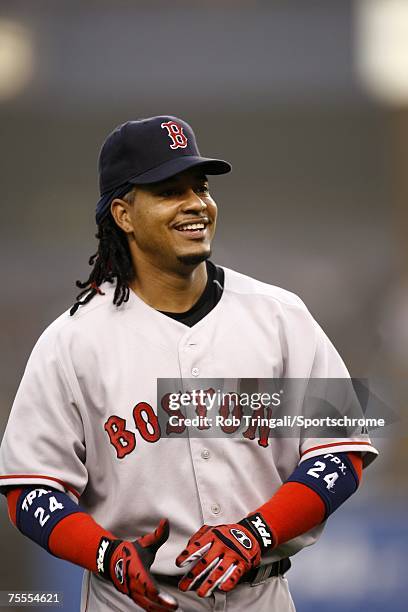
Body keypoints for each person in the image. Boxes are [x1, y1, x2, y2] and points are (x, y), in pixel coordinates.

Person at [0, 116, 378, 611]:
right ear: (123, 214)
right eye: (168, 190)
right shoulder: (72, 342)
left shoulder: (280, 315)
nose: (196, 203)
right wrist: (107, 554)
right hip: (133, 601)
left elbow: (341, 452)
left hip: (259, 595)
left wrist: (254, 533)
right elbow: (29, 487)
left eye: (199, 187)